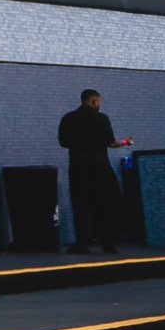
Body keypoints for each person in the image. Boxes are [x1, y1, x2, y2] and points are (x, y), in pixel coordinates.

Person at [57, 89, 132, 254]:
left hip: (77, 165)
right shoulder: (101, 118)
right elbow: (111, 143)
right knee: (104, 203)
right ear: (94, 101)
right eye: (98, 102)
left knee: (80, 204)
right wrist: (126, 142)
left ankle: (82, 243)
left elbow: (62, 143)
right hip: (99, 165)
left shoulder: (68, 118)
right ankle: (108, 244)